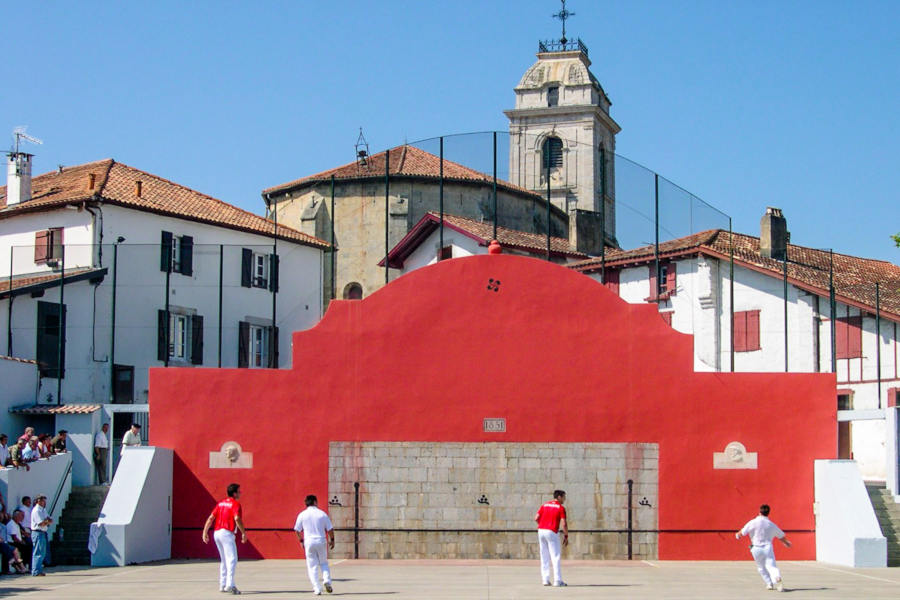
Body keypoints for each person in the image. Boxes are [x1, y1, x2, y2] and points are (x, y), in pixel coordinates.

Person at [202, 483, 247, 595]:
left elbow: (211, 518)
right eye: (239, 491)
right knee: (232, 559)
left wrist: (205, 532)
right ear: (234, 493)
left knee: (224, 560)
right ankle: (230, 585)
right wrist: (243, 532)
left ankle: (222, 584)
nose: (240, 493)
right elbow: (237, 518)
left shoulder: (220, 503)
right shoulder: (235, 504)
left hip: (217, 533)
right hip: (227, 533)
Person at [736, 504, 792, 592]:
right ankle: (777, 578)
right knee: (772, 566)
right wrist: (786, 543)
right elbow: (781, 536)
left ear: (759, 512)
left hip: (756, 548)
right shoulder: (771, 524)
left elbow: (741, 533)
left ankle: (769, 583)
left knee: (761, 567)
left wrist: (737, 535)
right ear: (768, 513)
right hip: (768, 548)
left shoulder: (752, 522)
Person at [293, 494, 335, 595]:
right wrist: (332, 539)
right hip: (321, 540)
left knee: (312, 566)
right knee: (324, 563)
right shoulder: (322, 514)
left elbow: (297, 530)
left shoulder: (302, 515)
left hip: (309, 542)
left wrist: (301, 541)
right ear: (315, 502)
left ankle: (317, 588)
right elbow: (330, 529)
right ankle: (327, 580)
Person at [535, 489, 568, 587]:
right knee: (555, 556)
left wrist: (542, 525)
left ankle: (545, 580)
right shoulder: (561, 508)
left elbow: (536, 518)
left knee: (544, 556)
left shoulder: (544, 505)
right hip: (552, 531)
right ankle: (557, 580)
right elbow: (564, 523)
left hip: (541, 531)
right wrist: (566, 535)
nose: (564, 499)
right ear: (559, 497)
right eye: (564, 497)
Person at [30, 493, 52, 576]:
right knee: (38, 552)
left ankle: (39, 570)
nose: (44, 502)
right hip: (37, 532)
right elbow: (41, 523)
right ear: (38, 501)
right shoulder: (36, 510)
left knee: (42, 552)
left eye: (44, 500)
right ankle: (35, 571)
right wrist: (47, 521)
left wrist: (47, 521)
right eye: (42, 500)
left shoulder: (43, 510)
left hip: (43, 532)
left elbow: (49, 519)